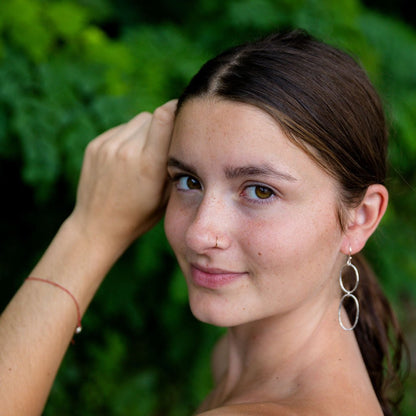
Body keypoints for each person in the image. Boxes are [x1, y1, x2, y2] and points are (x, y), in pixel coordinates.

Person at [0, 29, 408, 416]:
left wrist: (90, 232)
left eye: (260, 191)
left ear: (360, 217)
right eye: (189, 181)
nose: (199, 232)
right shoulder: (235, 357)